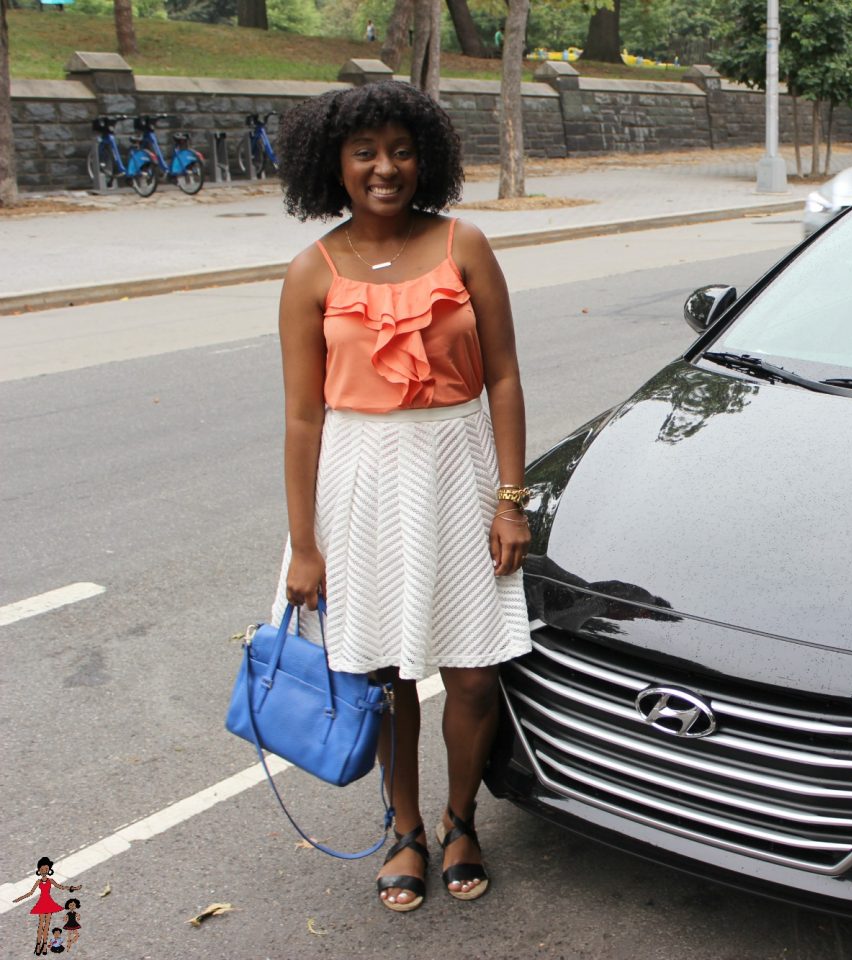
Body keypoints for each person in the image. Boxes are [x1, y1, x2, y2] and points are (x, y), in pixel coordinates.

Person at [273, 81, 532, 914]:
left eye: (401, 150)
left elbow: (503, 379)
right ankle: (404, 829)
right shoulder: (310, 271)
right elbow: (304, 418)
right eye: (365, 153)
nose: (386, 168)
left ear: (427, 155)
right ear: (335, 165)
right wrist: (303, 545)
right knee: (385, 679)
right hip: (360, 484)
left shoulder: (466, 244)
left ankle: (462, 819)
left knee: (472, 675)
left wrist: (510, 498)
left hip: (456, 474)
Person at [12, 858, 80, 956]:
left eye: (46, 869)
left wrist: (72, 888)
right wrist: (20, 898)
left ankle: (44, 945)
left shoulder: (50, 880)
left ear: (49, 870)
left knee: (46, 926)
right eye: (42, 869)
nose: (44, 871)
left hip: (48, 902)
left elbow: (61, 887)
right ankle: (38, 945)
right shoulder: (38, 882)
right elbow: (31, 893)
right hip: (42, 902)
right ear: (39, 870)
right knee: (41, 926)